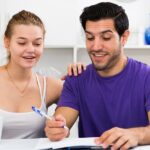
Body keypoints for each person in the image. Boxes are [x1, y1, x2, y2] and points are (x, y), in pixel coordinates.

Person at [45, 2, 150, 150]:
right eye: (90, 38)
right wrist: (57, 128)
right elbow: (62, 121)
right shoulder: (76, 79)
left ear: (124, 37)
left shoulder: (146, 76)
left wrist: (137, 135)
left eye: (106, 38)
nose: (96, 46)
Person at [0, 10, 85, 139]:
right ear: (7, 42)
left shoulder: (50, 86)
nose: (30, 50)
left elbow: (87, 96)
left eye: (37, 43)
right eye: (22, 43)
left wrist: (83, 73)